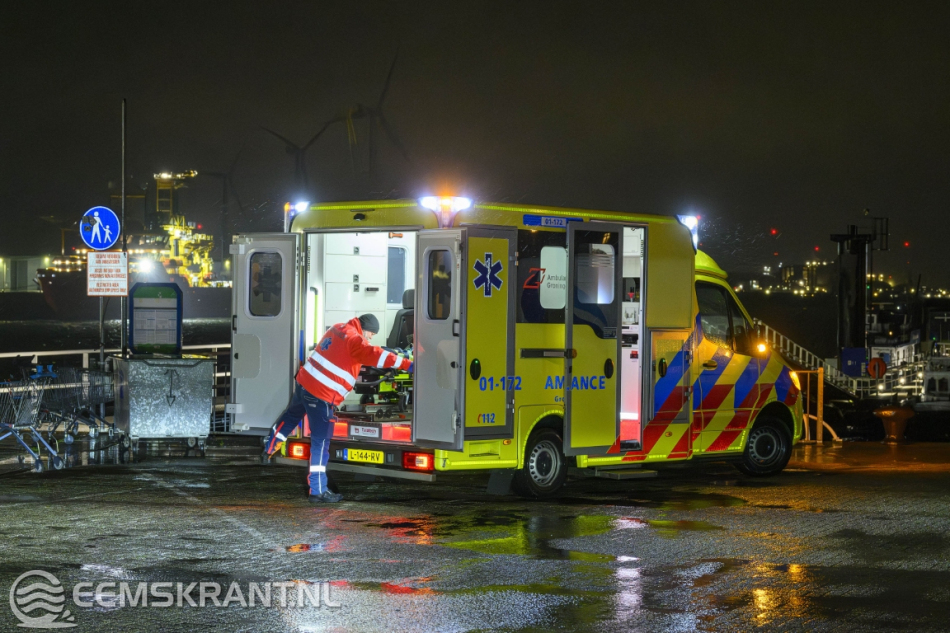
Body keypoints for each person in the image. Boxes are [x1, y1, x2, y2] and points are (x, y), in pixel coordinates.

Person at [262, 314, 413, 503]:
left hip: (304, 384)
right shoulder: (356, 341)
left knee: (290, 416)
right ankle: (317, 491)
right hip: (321, 396)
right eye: (371, 334)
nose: (370, 338)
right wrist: (408, 364)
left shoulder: (338, 328)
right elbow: (376, 354)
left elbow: (359, 350)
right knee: (320, 442)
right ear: (365, 329)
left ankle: (269, 447)